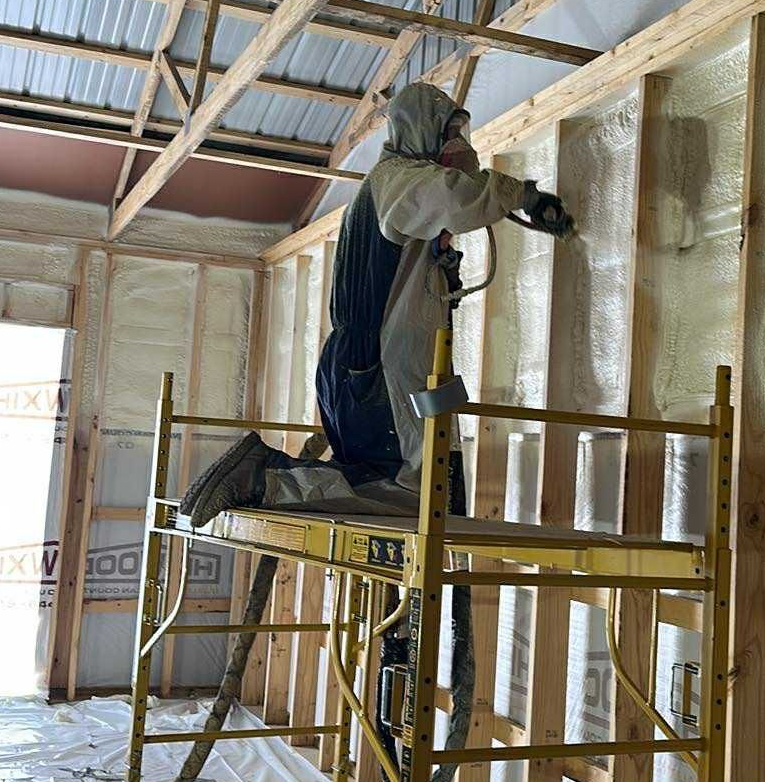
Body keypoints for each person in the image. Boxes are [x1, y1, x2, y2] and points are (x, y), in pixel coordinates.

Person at [182, 82, 574, 526]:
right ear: (423, 130)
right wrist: (524, 196)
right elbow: (460, 197)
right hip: (381, 369)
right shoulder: (398, 181)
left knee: (388, 489)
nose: (459, 145)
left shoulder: (390, 195)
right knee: (421, 501)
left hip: (363, 371)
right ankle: (266, 477)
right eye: (451, 133)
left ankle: (268, 479)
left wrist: (440, 263)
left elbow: (416, 283)